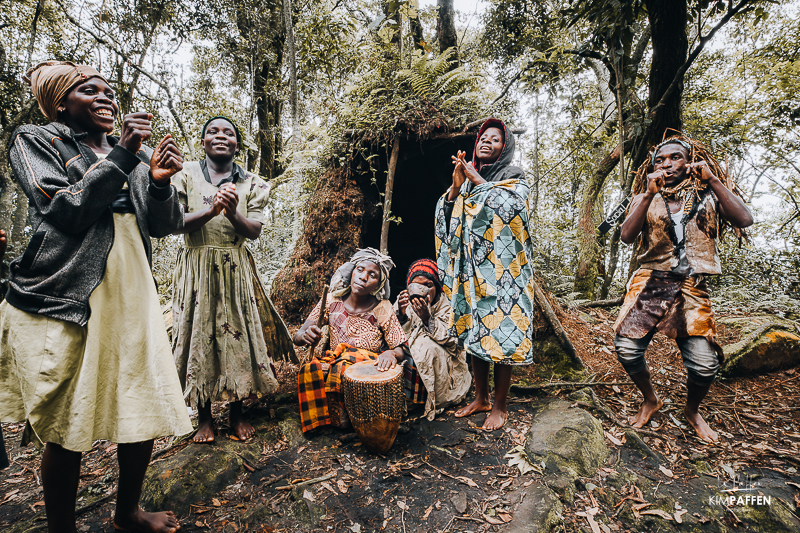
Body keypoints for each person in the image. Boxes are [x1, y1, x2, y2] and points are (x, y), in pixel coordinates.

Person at [0, 61, 192, 533]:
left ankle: (127, 512)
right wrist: (125, 153)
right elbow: (65, 210)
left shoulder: (138, 157)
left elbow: (166, 224)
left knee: (142, 399)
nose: (105, 97)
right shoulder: (36, 140)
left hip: (133, 290)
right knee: (69, 413)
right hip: (68, 291)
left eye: (109, 91)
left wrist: (162, 182)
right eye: (90, 91)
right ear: (61, 102)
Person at [615, 136, 753, 443]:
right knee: (626, 349)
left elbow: (745, 218)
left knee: (705, 364)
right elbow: (626, 236)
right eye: (660, 160)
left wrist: (714, 180)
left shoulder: (708, 195)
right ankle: (651, 399)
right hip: (651, 282)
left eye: (675, 157)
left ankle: (692, 411)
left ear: (688, 162)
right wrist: (649, 195)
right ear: (653, 167)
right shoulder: (643, 197)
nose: (666, 164)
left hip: (691, 285)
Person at [170, 116, 294, 444]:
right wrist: (211, 211)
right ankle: (205, 418)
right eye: (212, 131)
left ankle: (238, 413)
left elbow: (253, 231)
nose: (221, 136)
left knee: (237, 336)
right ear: (204, 141)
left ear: (237, 144)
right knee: (200, 335)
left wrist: (232, 212)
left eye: (229, 132)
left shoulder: (253, 183)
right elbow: (175, 222)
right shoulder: (184, 175)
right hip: (197, 268)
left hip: (234, 267)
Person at [435, 118, 536, 431]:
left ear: (505, 147)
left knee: (502, 334)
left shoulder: (512, 175)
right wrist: (454, 187)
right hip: (472, 271)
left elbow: (514, 210)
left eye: (495, 139)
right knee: (476, 333)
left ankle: (500, 405)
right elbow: (449, 218)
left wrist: (476, 179)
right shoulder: (464, 180)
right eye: (483, 138)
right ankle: (480, 398)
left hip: (506, 274)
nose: (486, 142)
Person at [293, 248, 426, 433]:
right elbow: (298, 336)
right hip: (335, 361)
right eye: (360, 269)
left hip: (367, 367)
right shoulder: (331, 300)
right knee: (310, 369)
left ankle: (350, 419)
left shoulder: (383, 308)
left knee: (344, 367)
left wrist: (390, 353)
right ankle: (321, 422)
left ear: (378, 285)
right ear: (352, 272)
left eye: (372, 275)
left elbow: (400, 349)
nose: (363, 277)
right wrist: (305, 336)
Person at [395, 259, 471, 420]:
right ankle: (406, 397)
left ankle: (421, 400)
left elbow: (455, 343)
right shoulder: (404, 301)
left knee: (424, 347)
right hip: (413, 363)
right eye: (416, 285)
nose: (423, 290)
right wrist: (400, 315)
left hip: (445, 365)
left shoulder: (449, 304)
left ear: (437, 286)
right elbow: (395, 335)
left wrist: (427, 318)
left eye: (428, 285)